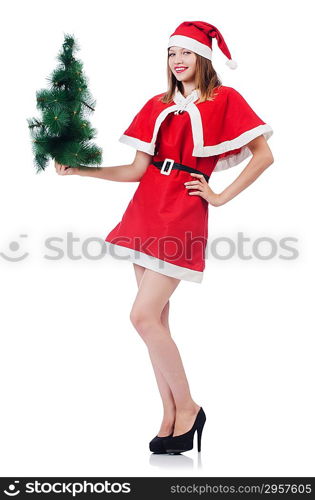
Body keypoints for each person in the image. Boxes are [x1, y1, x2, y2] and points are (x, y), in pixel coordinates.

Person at [55, 21, 274, 454]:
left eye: (186, 53)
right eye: (172, 53)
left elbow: (264, 155)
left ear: (203, 58)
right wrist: (81, 170)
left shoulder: (225, 99)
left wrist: (219, 196)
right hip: (145, 208)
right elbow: (136, 170)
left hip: (181, 212)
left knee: (141, 316)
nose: (177, 61)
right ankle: (170, 415)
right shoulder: (156, 103)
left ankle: (189, 407)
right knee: (156, 321)